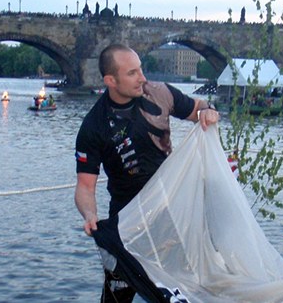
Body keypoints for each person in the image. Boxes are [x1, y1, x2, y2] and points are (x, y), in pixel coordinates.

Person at [74, 44, 219, 303]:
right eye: (132, 73)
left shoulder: (159, 93)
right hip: (127, 224)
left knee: (185, 292)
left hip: (171, 215)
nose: (142, 77)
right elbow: (85, 187)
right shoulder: (93, 126)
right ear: (110, 80)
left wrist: (206, 111)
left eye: (140, 69)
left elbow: (198, 108)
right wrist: (89, 214)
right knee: (117, 297)